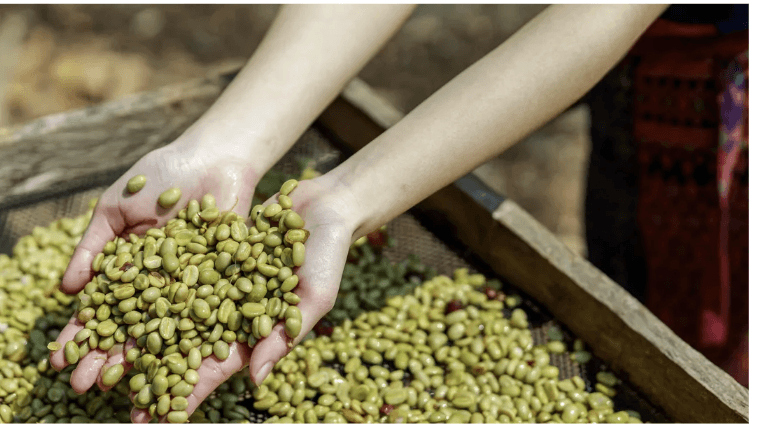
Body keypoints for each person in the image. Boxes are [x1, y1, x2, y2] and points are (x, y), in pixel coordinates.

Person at [48, 5, 745, 422]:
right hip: (638, 71)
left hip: (719, 73)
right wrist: (228, 146)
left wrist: (350, 197)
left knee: (709, 343)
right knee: (637, 284)